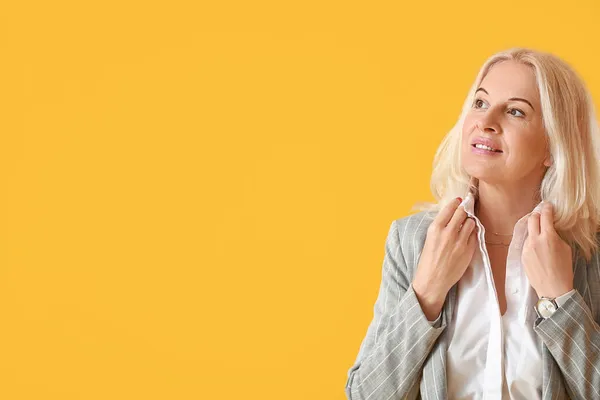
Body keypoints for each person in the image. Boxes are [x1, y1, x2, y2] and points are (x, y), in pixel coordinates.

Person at [344, 47, 600, 400]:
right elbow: (364, 395)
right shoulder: (411, 242)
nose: (486, 121)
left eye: (514, 111)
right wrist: (426, 295)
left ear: (553, 146)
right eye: (480, 103)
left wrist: (561, 302)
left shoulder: (591, 251)